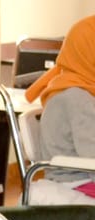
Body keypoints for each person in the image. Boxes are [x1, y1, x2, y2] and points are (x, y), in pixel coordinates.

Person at [24, 14, 95, 205]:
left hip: (81, 175)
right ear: (88, 53)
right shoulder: (77, 98)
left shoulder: (77, 84)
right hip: (76, 180)